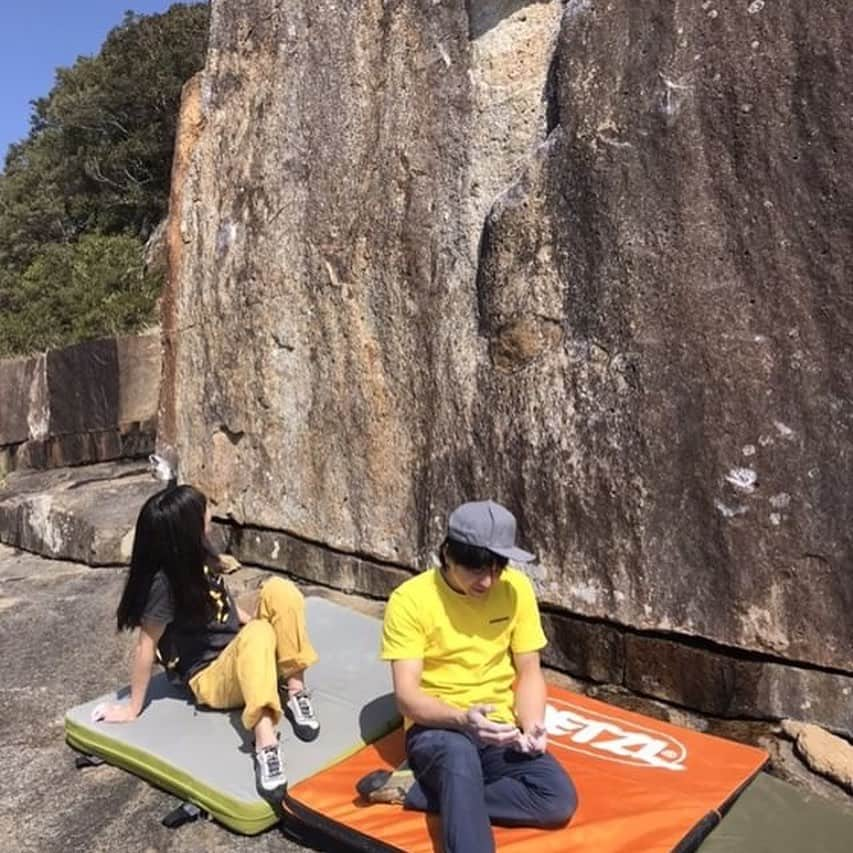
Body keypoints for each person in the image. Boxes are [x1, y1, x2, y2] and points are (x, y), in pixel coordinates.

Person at [358, 499, 577, 852]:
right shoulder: (410, 600)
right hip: (438, 727)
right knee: (459, 755)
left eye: (497, 567)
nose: (488, 580)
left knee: (556, 800)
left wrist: (533, 724)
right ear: (447, 554)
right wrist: (462, 718)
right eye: (476, 568)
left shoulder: (516, 589)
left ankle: (419, 792)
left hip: (499, 727)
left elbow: (530, 670)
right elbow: (407, 696)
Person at [94, 484, 320, 793]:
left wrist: (263, 630)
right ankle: (265, 742)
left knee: (280, 590)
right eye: (204, 511)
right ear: (188, 528)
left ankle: (295, 692)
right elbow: (145, 646)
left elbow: (221, 603)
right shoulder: (164, 585)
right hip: (211, 678)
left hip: (240, 652)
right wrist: (132, 708)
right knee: (258, 633)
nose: (210, 514)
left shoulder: (196, 556)